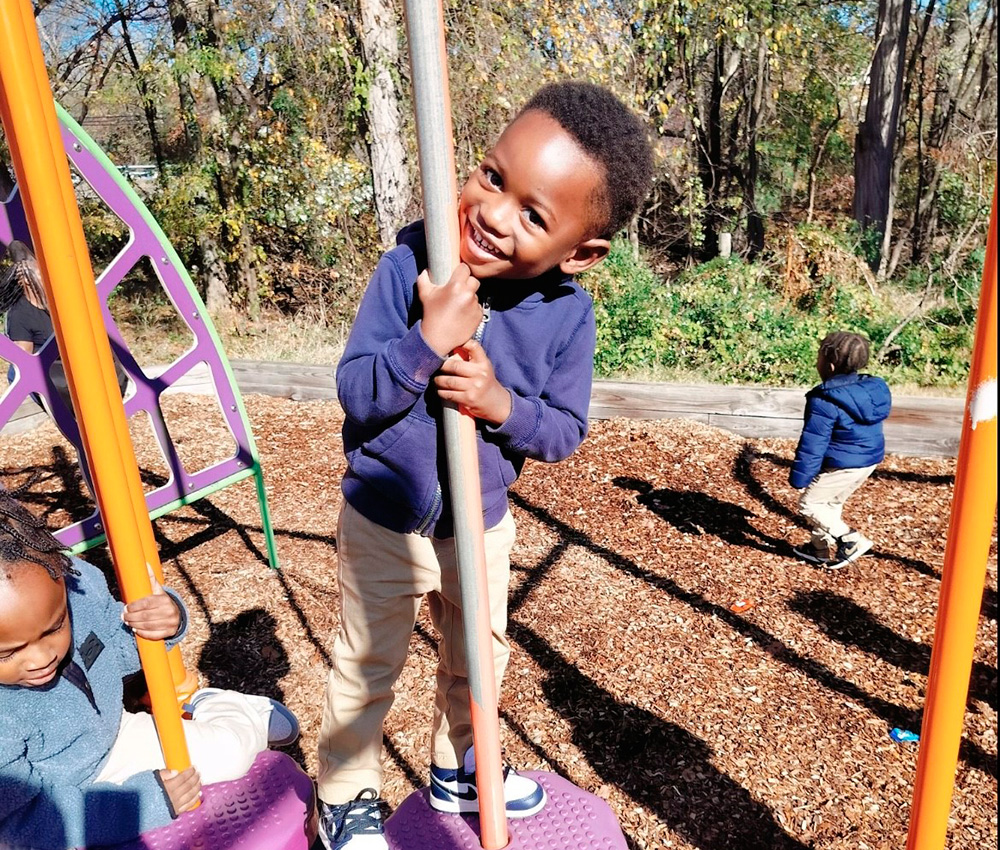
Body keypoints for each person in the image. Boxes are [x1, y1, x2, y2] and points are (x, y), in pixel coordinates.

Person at [316, 81, 654, 850]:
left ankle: (462, 765)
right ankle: (341, 793)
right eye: (492, 177)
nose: (494, 214)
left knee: (480, 658)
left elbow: (564, 431)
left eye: (534, 215)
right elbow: (355, 394)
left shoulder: (568, 314)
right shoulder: (410, 266)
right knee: (367, 661)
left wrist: (501, 404)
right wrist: (424, 342)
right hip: (384, 516)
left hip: (483, 522)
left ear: (582, 251)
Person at [0, 486, 300, 850]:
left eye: (55, 627)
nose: (41, 657)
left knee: (231, 754)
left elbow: (118, 646)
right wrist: (142, 804)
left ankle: (233, 710)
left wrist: (163, 622)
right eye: (7, 654)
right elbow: (27, 825)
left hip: (117, 739)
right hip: (50, 806)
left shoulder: (73, 587)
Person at [789, 331, 892, 570]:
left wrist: (800, 477)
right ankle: (819, 548)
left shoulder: (825, 400)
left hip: (845, 463)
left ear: (830, 366)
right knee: (829, 503)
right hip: (867, 459)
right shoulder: (868, 390)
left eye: (819, 358)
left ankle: (850, 539)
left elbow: (813, 442)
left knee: (810, 504)